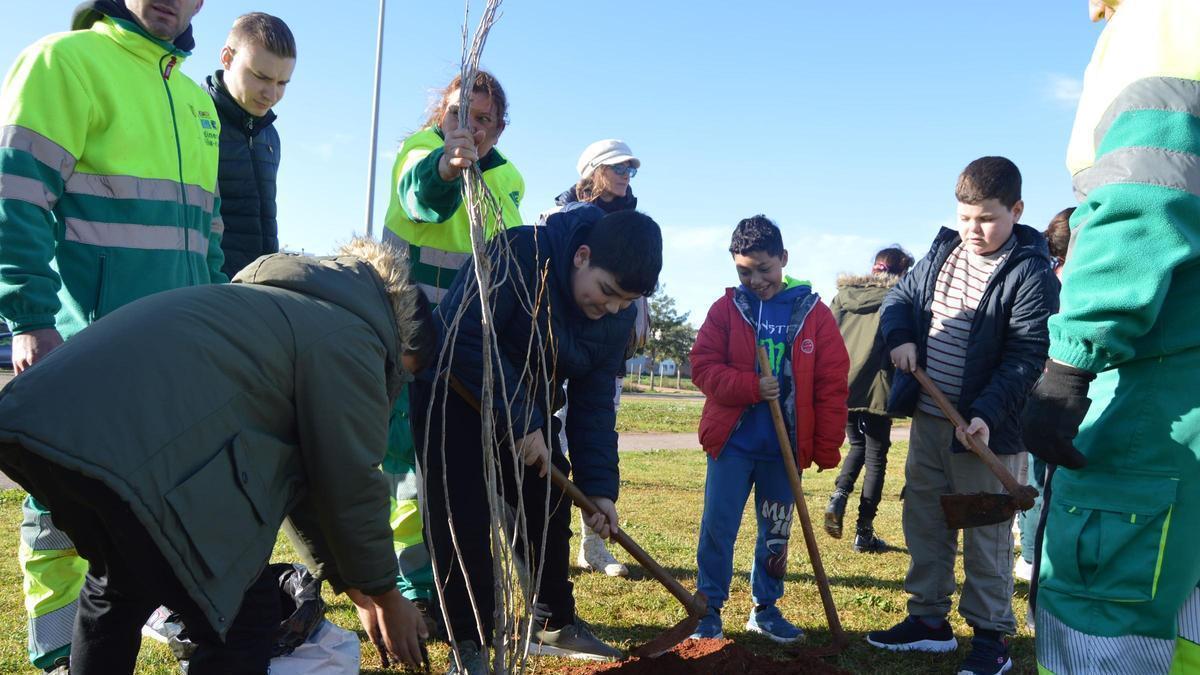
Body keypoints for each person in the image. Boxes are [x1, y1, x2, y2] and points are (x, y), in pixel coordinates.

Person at [0, 238, 434, 674]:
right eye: (401, 376)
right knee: (243, 618)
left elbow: (308, 489)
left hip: (41, 421)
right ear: (402, 339)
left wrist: (360, 589)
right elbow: (349, 482)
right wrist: (385, 595)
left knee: (120, 582)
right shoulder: (352, 337)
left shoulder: (284, 306)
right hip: (130, 452)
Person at [0, 1, 225, 669]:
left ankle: (132, 633)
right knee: (58, 509)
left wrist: (217, 326)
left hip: (176, 357)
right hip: (83, 347)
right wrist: (30, 318)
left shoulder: (198, 102)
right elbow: (14, 194)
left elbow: (209, 236)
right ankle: (54, 651)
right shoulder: (63, 62)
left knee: (149, 513)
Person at [1021, 1, 1200, 672]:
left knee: (1107, 612)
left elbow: (1139, 202)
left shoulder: (1164, 18)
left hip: (1159, 392)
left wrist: (1070, 363)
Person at [413, 206, 662, 673]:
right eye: (607, 292)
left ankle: (552, 624)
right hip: (453, 391)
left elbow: (593, 406)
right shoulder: (517, 252)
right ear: (582, 256)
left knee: (548, 499)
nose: (610, 308)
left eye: (624, 302)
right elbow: (464, 336)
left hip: (527, 404)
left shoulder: (614, 318)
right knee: (460, 519)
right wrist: (522, 422)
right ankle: (468, 641)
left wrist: (600, 491)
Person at [865, 157, 1057, 675]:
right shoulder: (943, 250)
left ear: (1017, 210)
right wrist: (900, 337)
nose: (973, 229)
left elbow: (1026, 357)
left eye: (987, 218)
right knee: (925, 519)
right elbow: (900, 298)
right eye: (966, 217)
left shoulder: (1032, 273)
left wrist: (986, 414)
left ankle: (992, 638)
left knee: (986, 534)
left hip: (987, 431)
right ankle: (928, 622)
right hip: (930, 420)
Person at [378, 71, 524, 628]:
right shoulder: (421, 150)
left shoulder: (508, 179)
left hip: (468, 352)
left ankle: (456, 584)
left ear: (500, 128)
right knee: (407, 471)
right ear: (442, 115)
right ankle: (417, 587)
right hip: (409, 343)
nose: (470, 127)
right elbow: (420, 198)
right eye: (460, 113)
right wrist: (445, 167)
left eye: (483, 119)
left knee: (458, 471)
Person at [688, 215, 849, 643]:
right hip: (733, 446)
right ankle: (708, 608)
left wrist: (826, 445)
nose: (756, 280)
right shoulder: (727, 309)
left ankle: (766, 608)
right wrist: (751, 387)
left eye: (764, 269)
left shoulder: (813, 314)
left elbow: (832, 383)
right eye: (744, 271)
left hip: (784, 449)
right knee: (718, 527)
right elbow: (702, 367)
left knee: (776, 531)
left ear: (784, 259)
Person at [542, 139, 647, 578]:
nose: (626, 175)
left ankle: (593, 545)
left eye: (630, 169)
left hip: (606, 351)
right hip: (557, 355)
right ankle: (547, 543)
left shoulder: (634, 223)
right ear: (594, 171)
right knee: (555, 445)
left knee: (596, 433)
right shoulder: (560, 218)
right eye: (618, 167)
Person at [824, 245, 915, 553]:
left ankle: (838, 496)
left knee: (857, 445)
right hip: (878, 385)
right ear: (901, 271)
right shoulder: (897, 297)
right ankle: (864, 532)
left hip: (843, 383)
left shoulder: (843, 296)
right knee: (876, 456)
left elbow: (828, 335)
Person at [207, 12, 297, 279]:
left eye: (282, 83)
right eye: (261, 77)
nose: (271, 94)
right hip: (204, 288)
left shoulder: (270, 136)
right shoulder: (193, 116)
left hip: (256, 289)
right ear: (227, 58)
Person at [1012, 207, 1072, 587]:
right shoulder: (1066, 283)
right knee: (1043, 477)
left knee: (1039, 474)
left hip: (1039, 388)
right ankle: (1033, 556)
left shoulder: (1046, 276)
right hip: (1052, 389)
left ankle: (1032, 550)